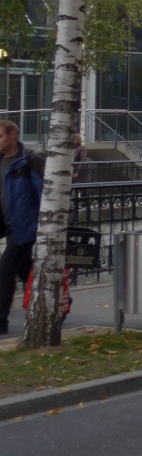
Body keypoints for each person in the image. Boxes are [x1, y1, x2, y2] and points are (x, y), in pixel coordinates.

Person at [0, 120, 45, 335]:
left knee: (5, 270)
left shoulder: (29, 161)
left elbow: (45, 195)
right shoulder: (0, 161)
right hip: (7, 225)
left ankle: (1, 321)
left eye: (0, 136)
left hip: (25, 227)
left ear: (13, 136)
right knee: (24, 270)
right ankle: (53, 301)